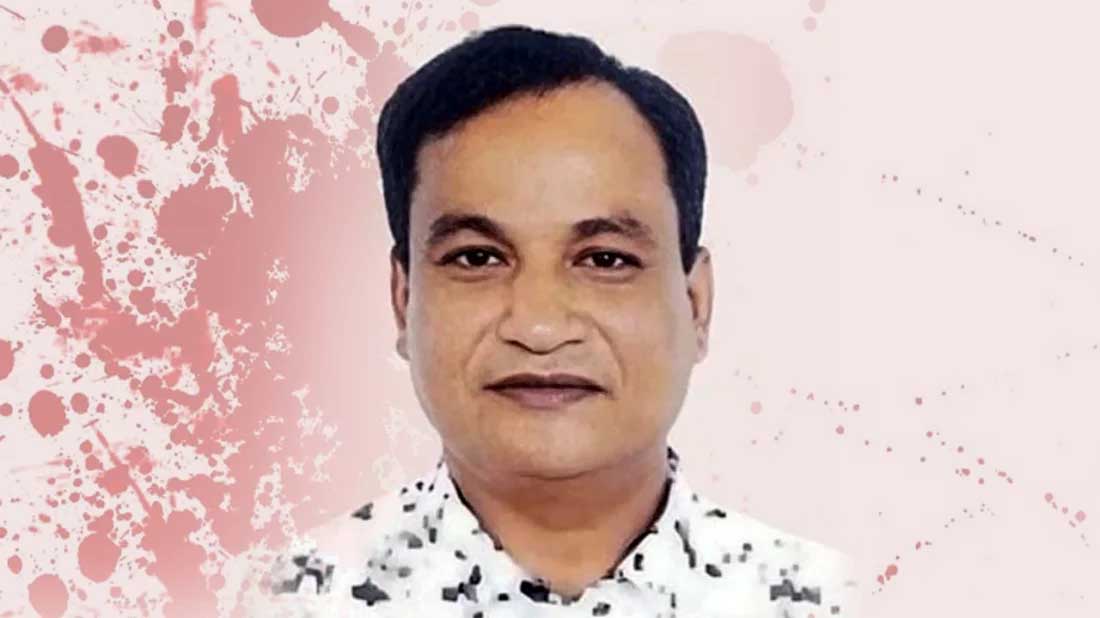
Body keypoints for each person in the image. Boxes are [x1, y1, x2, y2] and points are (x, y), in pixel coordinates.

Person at [250, 24, 860, 617]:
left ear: (696, 304)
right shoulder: (283, 599)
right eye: (477, 258)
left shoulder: (835, 601)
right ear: (403, 299)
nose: (539, 327)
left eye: (605, 260)